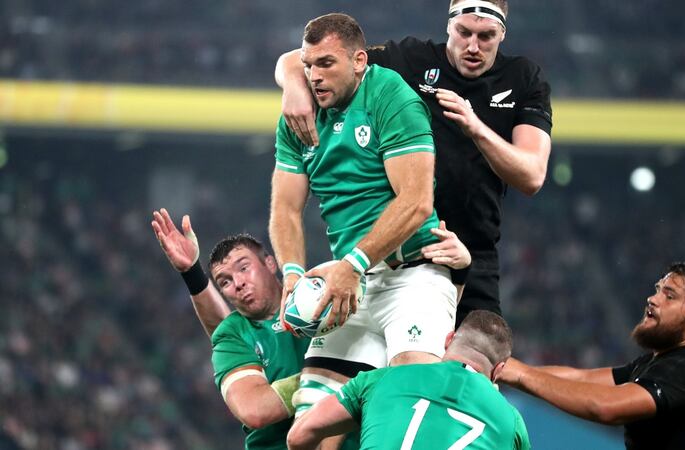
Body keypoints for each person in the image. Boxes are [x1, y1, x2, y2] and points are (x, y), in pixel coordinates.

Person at [276, 0, 553, 327]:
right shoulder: (411, 60)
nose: (473, 46)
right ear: (449, 25)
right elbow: (304, 58)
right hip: (405, 254)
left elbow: (532, 175)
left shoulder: (523, 78)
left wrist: (476, 127)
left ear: (502, 33)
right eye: (464, 32)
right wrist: (293, 87)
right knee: (400, 370)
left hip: (474, 252)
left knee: (473, 366)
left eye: (486, 36)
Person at [269, 12, 473, 427]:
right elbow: (285, 209)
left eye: (327, 64)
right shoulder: (297, 117)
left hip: (413, 277)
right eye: (308, 66)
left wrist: (353, 263)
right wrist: (291, 274)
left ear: (359, 61)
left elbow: (416, 201)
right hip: (351, 287)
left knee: (410, 410)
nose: (315, 76)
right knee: (308, 429)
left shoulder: (388, 96)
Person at [498, 262, 685, 450]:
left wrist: (520, 374)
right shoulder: (660, 362)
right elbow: (580, 379)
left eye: (670, 296)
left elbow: (605, 406)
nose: (652, 299)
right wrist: (502, 367)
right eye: (658, 290)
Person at [152, 208, 308, 449]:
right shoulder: (230, 336)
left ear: (271, 263)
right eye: (225, 281)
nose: (238, 283)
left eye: (244, 268)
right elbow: (255, 409)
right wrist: (327, 376)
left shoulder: (317, 295)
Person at [286, 311, 530, 450]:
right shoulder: (511, 421)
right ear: (498, 370)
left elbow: (299, 435)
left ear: (449, 340)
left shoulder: (380, 379)